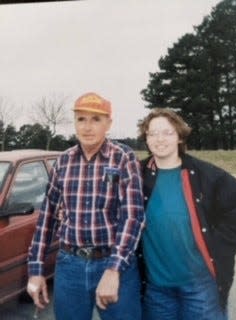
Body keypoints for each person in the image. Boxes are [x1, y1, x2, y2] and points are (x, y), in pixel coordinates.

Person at [27, 92, 145, 320]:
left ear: (108, 124)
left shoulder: (123, 158)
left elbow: (133, 217)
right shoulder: (63, 161)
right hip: (70, 265)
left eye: (96, 119)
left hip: (113, 262)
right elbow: (47, 219)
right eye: (81, 119)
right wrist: (36, 270)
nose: (87, 127)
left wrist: (114, 270)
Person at [137, 108, 236, 320]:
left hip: (201, 287)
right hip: (157, 289)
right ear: (146, 139)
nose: (160, 139)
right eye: (153, 133)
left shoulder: (205, 174)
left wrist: (218, 244)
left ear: (179, 136)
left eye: (167, 132)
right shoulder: (136, 174)